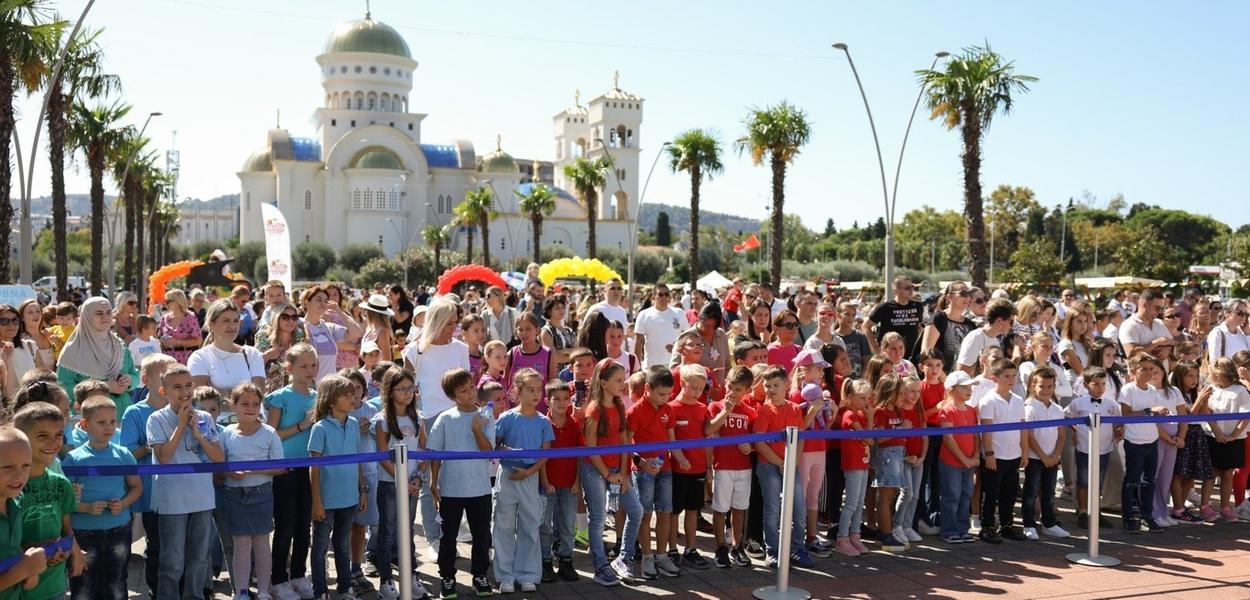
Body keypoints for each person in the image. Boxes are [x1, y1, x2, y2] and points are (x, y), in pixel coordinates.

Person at [147, 364, 224, 600]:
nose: (185, 391)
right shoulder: (156, 419)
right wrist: (181, 425)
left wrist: (199, 434)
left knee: (199, 557)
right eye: (177, 387)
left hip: (201, 498)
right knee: (172, 560)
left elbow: (218, 458)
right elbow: (164, 456)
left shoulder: (203, 418)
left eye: (188, 385)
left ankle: (195, 596)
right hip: (172, 500)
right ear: (164, 391)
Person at [63, 395, 141, 600]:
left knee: (116, 583)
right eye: (101, 422)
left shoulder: (124, 455)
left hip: (118, 530)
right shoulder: (73, 460)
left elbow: (136, 487)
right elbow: (65, 502)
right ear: (84, 424)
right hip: (84, 533)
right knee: (83, 586)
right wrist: (86, 508)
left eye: (113, 422)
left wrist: (124, 503)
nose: (109, 427)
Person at [428, 368, 495, 598]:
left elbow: (488, 451)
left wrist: (477, 429)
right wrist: (433, 481)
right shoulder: (445, 418)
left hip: (480, 488)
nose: (470, 393)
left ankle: (479, 575)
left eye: (471, 388)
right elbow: (435, 452)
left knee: (481, 534)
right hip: (451, 489)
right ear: (453, 396)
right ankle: (447, 577)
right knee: (448, 535)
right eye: (463, 391)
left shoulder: (486, 415)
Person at [579, 359, 643, 586]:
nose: (623, 383)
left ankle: (623, 559)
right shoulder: (594, 409)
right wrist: (608, 474)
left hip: (617, 469)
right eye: (618, 380)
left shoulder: (619, 403)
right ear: (603, 383)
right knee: (597, 519)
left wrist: (624, 473)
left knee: (636, 511)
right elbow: (590, 447)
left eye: (624, 378)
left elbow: (625, 441)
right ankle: (600, 566)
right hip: (595, 469)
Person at [13, 402, 85, 600]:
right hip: (17, 588)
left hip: (54, 586)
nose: (53, 443)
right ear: (22, 438)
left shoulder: (61, 484)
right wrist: (31, 552)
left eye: (59, 435)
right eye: (42, 436)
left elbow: (66, 528)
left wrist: (74, 551)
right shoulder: (9, 487)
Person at [218, 383, 284, 600]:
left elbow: (281, 467)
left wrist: (256, 469)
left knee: (262, 544)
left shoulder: (269, 433)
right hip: (234, 495)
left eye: (255, 404)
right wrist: (230, 473)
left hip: (262, 494)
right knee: (241, 545)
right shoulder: (226, 433)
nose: (250, 408)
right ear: (233, 405)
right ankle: (242, 591)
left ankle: (264, 591)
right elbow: (220, 466)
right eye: (244, 403)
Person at [492, 368, 553, 594]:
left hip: (530, 477)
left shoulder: (543, 421)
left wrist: (529, 473)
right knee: (504, 525)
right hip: (507, 477)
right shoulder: (507, 417)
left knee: (530, 525)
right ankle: (505, 575)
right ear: (517, 391)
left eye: (538, 390)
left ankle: (527, 574)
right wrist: (507, 452)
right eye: (529, 390)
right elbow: (495, 445)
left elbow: (546, 453)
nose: (535, 394)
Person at [264, 344, 318, 600]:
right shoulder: (280, 397)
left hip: (310, 469)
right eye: (303, 366)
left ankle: (298, 574)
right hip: (285, 469)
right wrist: (301, 425)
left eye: (313, 365)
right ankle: (277, 578)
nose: (310, 370)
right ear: (290, 368)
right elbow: (271, 434)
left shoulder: (318, 395)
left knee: (303, 526)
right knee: (284, 526)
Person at [371, 369, 428, 600]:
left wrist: (417, 478)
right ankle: (386, 580)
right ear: (390, 391)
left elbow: (424, 450)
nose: (407, 393)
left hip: (413, 484)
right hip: (389, 484)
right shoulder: (382, 420)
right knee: (387, 531)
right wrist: (401, 479)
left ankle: (411, 575)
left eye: (410, 388)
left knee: (408, 531)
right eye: (401, 389)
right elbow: (383, 454)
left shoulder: (419, 417)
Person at [752, 366, 816, 568]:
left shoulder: (795, 408)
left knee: (798, 507)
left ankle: (798, 548)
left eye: (775, 385)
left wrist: (793, 462)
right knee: (772, 508)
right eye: (768, 385)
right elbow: (759, 443)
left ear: (786, 385)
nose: (771, 389)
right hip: (769, 466)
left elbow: (799, 437)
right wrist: (781, 463)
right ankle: (773, 550)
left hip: (790, 466)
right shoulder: (764, 410)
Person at [625, 366, 678, 580]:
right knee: (645, 515)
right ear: (647, 389)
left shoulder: (668, 410)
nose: (666, 398)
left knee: (665, 512)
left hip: (665, 469)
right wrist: (641, 462)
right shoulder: (635, 411)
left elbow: (672, 440)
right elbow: (626, 444)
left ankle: (661, 555)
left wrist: (680, 457)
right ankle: (647, 556)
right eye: (661, 394)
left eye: (669, 394)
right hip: (643, 472)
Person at [706, 366, 757, 568]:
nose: (732, 393)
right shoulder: (715, 407)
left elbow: (757, 439)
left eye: (738, 390)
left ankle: (737, 546)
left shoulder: (751, 412)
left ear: (747, 391)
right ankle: (720, 548)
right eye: (730, 387)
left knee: (740, 508)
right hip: (723, 465)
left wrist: (751, 446)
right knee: (720, 508)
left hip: (743, 467)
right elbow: (709, 429)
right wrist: (726, 411)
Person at [56, 297, 139, 420]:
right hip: (91, 420)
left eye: (108, 312)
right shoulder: (72, 350)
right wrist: (103, 387)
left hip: (124, 415)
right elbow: (63, 388)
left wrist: (129, 381)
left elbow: (134, 374)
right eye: (99, 313)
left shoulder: (119, 345)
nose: (105, 317)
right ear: (87, 317)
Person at [977, 358, 1028, 544]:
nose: (1011, 379)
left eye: (1014, 376)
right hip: (996, 455)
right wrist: (989, 454)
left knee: (1009, 492)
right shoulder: (988, 401)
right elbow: (986, 430)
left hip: (1013, 454)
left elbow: (1022, 427)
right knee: (991, 493)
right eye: (1007, 376)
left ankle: (1007, 524)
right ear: (994, 378)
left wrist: (1024, 450)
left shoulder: (1018, 399)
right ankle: (987, 526)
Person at [1118, 353, 1168, 532]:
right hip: (1134, 441)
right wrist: (1149, 411)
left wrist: (1159, 413)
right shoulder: (1128, 390)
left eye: (1151, 369)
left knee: (1149, 480)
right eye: (1144, 369)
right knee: (1131, 480)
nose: (1149, 373)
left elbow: (1153, 414)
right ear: (1133, 371)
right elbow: (1125, 414)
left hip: (1151, 440)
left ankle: (1147, 516)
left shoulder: (1153, 390)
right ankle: (1128, 516)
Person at [668, 364, 712, 570]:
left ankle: (691, 549)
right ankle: (672, 549)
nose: (697, 392)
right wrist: (679, 458)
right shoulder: (671, 408)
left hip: (699, 468)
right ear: (682, 383)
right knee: (674, 511)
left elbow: (708, 439)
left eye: (701, 389)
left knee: (693, 510)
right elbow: (670, 440)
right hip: (677, 470)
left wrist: (709, 467)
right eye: (693, 387)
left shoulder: (703, 409)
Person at [0, 426, 50, 600]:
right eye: (7, 467)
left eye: (26, 466)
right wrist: (22, 571)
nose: (19, 475)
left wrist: (30, 569)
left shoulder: (15, 503)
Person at [1020, 366, 1068, 540]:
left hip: (1052, 459)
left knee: (1048, 492)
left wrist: (1055, 455)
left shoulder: (1057, 408)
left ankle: (1049, 523)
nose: (1046, 390)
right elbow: (1030, 436)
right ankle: (1028, 524)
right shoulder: (1029, 407)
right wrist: (1043, 456)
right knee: (1031, 492)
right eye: (1042, 386)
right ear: (1033, 386)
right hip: (1035, 458)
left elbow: (1061, 435)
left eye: (1050, 386)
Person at [539, 381, 581, 583]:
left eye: (566, 398)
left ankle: (566, 560)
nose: (562, 403)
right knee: (545, 524)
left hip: (569, 483)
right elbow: (542, 458)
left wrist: (577, 481)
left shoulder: (575, 424)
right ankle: (545, 561)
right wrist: (545, 482)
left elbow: (580, 456)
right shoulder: (543, 424)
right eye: (557, 399)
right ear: (547, 401)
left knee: (567, 524)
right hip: (548, 484)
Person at [1201, 358, 1250, 523]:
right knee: (1211, 473)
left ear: (1221, 374)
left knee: (1227, 474)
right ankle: (1205, 506)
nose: (1210, 376)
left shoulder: (1240, 391)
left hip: (1232, 440)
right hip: (1213, 437)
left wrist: (1233, 436)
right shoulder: (1210, 389)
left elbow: (1245, 417)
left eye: (1213, 373)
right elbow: (1205, 410)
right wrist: (1217, 432)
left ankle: (1225, 507)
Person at [188, 300, 267, 397]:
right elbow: (202, 399)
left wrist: (220, 393)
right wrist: (245, 394)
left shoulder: (252, 354)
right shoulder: (199, 357)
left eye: (235, 321)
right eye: (226, 321)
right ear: (211, 324)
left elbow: (258, 394)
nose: (232, 326)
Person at [936, 371, 980, 544]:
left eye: (970, 387)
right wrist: (964, 459)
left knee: (965, 494)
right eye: (964, 387)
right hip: (951, 462)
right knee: (951, 495)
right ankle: (949, 530)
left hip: (968, 462)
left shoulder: (971, 410)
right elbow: (948, 438)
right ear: (951, 389)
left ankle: (963, 529)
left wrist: (975, 455)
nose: (969, 390)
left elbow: (976, 435)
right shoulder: (947, 411)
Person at [300, 286, 362, 382]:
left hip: (330, 387)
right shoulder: (299, 326)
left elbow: (356, 332)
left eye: (325, 301)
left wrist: (339, 311)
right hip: (308, 387)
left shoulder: (329, 327)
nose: (323, 303)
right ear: (307, 303)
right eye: (318, 300)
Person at [919, 282, 975, 374]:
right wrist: (947, 382)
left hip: (963, 381)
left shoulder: (970, 325)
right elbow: (926, 354)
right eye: (963, 294)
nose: (968, 298)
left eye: (969, 294)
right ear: (949, 297)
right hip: (939, 380)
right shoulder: (939, 319)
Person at [862, 276, 924, 356]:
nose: (911, 291)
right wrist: (876, 349)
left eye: (912, 287)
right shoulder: (885, 307)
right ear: (896, 291)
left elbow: (918, 328)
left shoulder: (917, 306)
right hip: (890, 356)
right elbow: (865, 326)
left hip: (911, 356)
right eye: (907, 288)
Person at [955, 298, 1015, 375]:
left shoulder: (995, 340)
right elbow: (962, 371)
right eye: (1011, 322)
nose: (1012, 326)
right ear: (999, 321)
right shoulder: (975, 337)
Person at [634, 284, 685, 370]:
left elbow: (686, 337)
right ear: (653, 297)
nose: (664, 297)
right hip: (652, 366)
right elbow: (638, 341)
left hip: (675, 365)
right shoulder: (644, 314)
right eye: (660, 294)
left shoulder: (679, 313)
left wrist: (676, 349)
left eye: (666, 294)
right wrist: (637, 367)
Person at [1119, 289, 1171, 356]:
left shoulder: (1159, 322)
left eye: (1162, 309)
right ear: (1145, 305)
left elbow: (1173, 343)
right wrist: (1156, 343)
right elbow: (1131, 354)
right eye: (1157, 308)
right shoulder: (1129, 325)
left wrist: (1167, 347)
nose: (1160, 312)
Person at [157, 290, 203, 365]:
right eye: (165, 301)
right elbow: (160, 339)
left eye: (168, 301)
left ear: (177, 301)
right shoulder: (164, 318)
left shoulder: (190, 317)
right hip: (168, 360)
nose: (165, 303)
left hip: (186, 359)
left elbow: (198, 341)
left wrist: (177, 342)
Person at [539, 296, 575, 370]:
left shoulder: (569, 330)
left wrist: (564, 351)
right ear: (549, 311)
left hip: (571, 373)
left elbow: (579, 351)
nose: (561, 310)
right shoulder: (546, 331)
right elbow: (554, 357)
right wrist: (572, 353)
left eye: (563, 307)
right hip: (555, 375)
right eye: (557, 308)